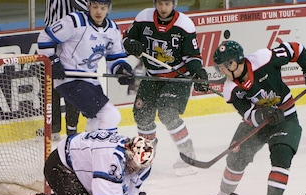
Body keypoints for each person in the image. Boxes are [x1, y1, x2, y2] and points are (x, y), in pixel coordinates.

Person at [206, 40, 306, 195]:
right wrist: (262, 114)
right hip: (258, 123)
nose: (223, 70)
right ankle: (225, 192)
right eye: (220, 67)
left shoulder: (263, 59)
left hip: (285, 118)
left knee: (282, 155)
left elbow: (296, 49)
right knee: (236, 155)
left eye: (225, 65)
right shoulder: (231, 88)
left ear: (236, 61)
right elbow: (246, 113)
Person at [122, 0, 208, 176]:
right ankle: (145, 156)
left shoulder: (184, 24)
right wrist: (130, 44)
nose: (163, 8)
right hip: (152, 76)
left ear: (174, 4)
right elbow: (127, 39)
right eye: (160, 3)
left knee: (167, 113)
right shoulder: (143, 17)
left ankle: (187, 155)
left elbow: (192, 56)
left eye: (167, 3)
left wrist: (197, 72)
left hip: (178, 78)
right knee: (142, 114)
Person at [37, 0, 133, 132]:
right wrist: (52, 61)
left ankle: (88, 149)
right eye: (95, 7)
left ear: (109, 9)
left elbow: (115, 57)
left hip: (90, 80)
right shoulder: (75, 21)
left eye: (103, 8)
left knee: (95, 119)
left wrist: (122, 69)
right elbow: (45, 37)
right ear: (88, 6)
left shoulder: (112, 29)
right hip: (69, 79)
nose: (99, 11)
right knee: (110, 115)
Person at [44, 0, 88, 139]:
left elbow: (87, 7)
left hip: (70, 37)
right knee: (52, 82)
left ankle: (72, 127)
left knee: (71, 82)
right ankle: (54, 127)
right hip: (51, 34)